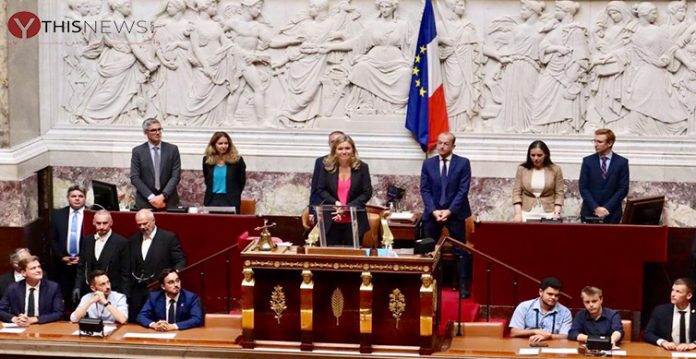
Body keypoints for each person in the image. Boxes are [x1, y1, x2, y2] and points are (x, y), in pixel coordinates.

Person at [420, 131, 472, 297]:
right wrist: (434, 211)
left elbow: (463, 191)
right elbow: (425, 189)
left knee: (461, 250)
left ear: (453, 146)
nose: (441, 146)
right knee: (427, 248)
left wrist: (449, 211)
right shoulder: (428, 164)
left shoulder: (463, 163)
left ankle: (464, 284)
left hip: (455, 212)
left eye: (446, 144)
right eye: (439, 143)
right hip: (433, 212)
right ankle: (426, 282)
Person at [125, 209, 187, 321]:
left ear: (153, 220)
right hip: (137, 292)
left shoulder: (168, 238)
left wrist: (171, 277)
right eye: (139, 225)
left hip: (159, 290)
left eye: (145, 223)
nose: (142, 227)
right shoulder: (133, 240)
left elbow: (180, 261)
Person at [316, 134, 373, 246]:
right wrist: (335, 203)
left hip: (354, 220)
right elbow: (320, 189)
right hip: (331, 220)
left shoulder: (362, 167)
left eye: (347, 148)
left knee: (353, 258)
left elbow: (367, 192)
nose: (344, 152)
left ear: (353, 150)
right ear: (334, 151)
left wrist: (347, 208)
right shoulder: (326, 167)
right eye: (340, 148)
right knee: (331, 257)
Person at [73, 210, 129, 302]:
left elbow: (125, 273)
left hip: (112, 293)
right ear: (93, 223)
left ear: (111, 223)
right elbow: (81, 267)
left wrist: (125, 296)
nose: (101, 227)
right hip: (89, 292)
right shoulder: (87, 241)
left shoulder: (121, 242)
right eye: (98, 223)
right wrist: (77, 286)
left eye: (105, 223)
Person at [578, 128, 629, 223]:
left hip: (612, 213)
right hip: (590, 213)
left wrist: (606, 208)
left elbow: (623, 188)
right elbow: (583, 187)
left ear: (609, 143)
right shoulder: (587, 161)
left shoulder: (622, 162)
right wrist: (596, 208)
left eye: (599, 142)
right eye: (595, 141)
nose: (595, 144)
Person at [130, 118, 181, 210]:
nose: (157, 132)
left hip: (168, 201)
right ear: (146, 132)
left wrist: (163, 196)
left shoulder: (172, 149)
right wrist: (152, 198)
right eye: (153, 130)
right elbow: (134, 177)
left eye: (159, 129)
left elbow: (176, 176)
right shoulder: (138, 151)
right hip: (146, 201)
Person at [50, 184, 86, 309]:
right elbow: (53, 239)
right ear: (68, 198)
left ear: (85, 198)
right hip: (62, 265)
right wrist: (61, 257)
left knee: (80, 297)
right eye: (73, 196)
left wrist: (82, 257)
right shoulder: (58, 215)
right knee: (65, 297)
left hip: (83, 265)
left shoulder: (91, 215)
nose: (77, 199)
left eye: (80, 196)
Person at [0, 256, 64, 325]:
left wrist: (33, 320)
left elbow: (58, 313)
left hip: (43, 326)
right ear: (23, 273)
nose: (38, 270)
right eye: (33, 268)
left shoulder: (53, 287)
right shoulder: (13, 288)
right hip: (20, 326)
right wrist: (15, 319)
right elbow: (1, 310)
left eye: (39, 267)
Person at [512, 140, 564, 222]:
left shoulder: (556, 169)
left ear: (545, 155)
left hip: (549, 212)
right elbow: (516, 192)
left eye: (539, 155)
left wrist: (556, 213)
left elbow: (559, 193)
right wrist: (518, 213)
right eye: (533, 155)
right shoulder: (522, 169)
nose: (536, 158)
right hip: (526, 212)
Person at [136, 269, 203, 331]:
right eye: (171, 282)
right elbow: (141, 316)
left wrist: (173, 326)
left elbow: (197, 319)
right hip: (160, 336)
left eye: (177, 280)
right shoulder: (154, 297)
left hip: (182, 336)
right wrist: (155, 325)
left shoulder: (191, 298)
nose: (176, 285)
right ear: (163, 286)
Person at [509, 277, 572, 342]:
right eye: (550, 294)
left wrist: (548, 336)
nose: (553, 297)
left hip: (552, 347)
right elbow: (514, 332)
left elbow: (565, 335)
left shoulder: (565, 312)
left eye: (557, 295)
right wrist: (535, 331)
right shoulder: (524, 307)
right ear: (541, 292)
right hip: (527, 344)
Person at [644, 278, 696, 351]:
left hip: (692, 352)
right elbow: (648, 333)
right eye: (672, 290)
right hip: (668, 352)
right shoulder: (660, 311)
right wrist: (663, 342)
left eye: (678, 292)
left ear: (689, 295)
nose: (673, 294)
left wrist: (693, 344)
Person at [202, 131, 247, 209]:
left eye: (226, 143)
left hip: (231, 200)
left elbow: (241, 181)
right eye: (220, 143)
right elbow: (207, 179)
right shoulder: (207, 160)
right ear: (213, 145)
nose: (223, 146)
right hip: (212, 200)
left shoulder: (237, 160)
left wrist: (235, 193)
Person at [309, 131, 345, 213]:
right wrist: (311, 211)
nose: (335, 144)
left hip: (346, 207)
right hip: (325, 208)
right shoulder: (321, 162)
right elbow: (315, 188)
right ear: (329, 144)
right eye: (332, 142)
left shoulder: (354, 163)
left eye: (338, 141)